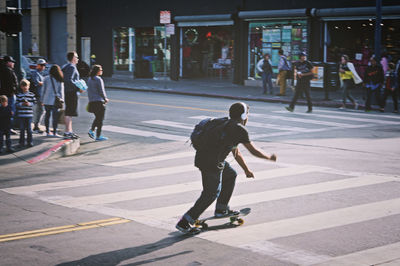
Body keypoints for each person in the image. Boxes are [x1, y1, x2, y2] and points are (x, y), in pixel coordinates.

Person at [176, 102, 277, 234]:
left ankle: (221, 209)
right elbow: (253, 151)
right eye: (247, 114)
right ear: (243, 115)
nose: (248, 117)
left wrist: (246, 169)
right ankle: (185, 222)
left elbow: (235, 151)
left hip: (206, 158)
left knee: (230, 175)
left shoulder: (224, 123)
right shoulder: (239, 130)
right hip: (211, 163)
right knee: (210, 193)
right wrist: (269, 157)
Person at [62, 51, 83, 139]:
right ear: (73, 58)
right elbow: (68, 80)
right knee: (69, 111)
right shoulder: (71, 67)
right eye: (76, 57)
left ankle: (70, 131)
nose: (77, 59)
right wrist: (79, 87)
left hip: (68, 91)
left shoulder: (67, 66)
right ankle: (67, 132)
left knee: (69, 112)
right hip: (71, 92)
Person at [87, 65, 109, 141]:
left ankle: (92, 130)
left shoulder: (89, 79)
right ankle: (98, 136)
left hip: (92, 102)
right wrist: (105, 98)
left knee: (97, 118)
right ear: (97, 71)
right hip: (99, 102)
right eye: (100, 69)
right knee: (100, 119)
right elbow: (101, 91)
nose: (102, 71)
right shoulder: (98, 79)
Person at [41, 65, 64, 136]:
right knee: (55, 117)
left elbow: (43, 90)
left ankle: (47, 131)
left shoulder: (46, 78)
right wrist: (62, 100)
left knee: (47, 116)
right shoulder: (59, 79)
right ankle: (54, 132)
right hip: (55, 100)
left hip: (47, 100)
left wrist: (42, 100)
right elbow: (61, 91)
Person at [0, 55, 18, 134]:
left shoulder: (2, 69)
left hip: (3, 94)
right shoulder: (9, 71)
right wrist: (14, 90)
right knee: (10, 112)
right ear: (8, 63)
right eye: (12, 62)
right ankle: (8, 128)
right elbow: (13, 83)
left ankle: (4, 128)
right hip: (9, 95)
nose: (13, 63)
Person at [16, 79, 36, 147]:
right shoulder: (19, 95)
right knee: (22, 129)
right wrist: (22, 104)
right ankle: (21, 142)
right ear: (21, 86)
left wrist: (29, 104)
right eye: (23, 86)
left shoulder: (31, 95)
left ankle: (29, 142)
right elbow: (16, 104)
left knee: (29, 129)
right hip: (21, 114)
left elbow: (34, 103)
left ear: (28, 86)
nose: (25, 87)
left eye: (26, 86)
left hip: (29, 114)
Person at [31, 58, 47, 133]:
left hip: (41, 94)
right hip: (38, 95)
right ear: (38, 65)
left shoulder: (42, 73)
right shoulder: (35, 73)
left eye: (44, 65)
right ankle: (36, 125)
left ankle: (37, 125)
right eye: (42, 65)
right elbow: (37, 83)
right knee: (41, 110)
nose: (43, 66)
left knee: (41, 110)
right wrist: (45, 83)